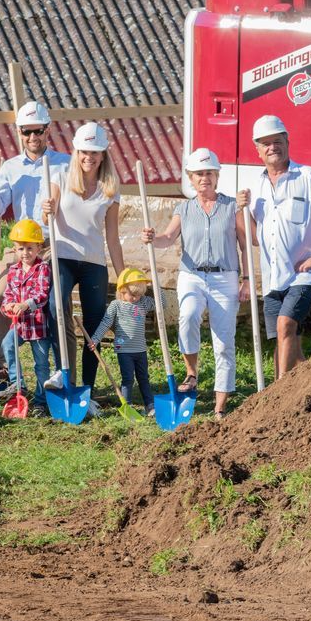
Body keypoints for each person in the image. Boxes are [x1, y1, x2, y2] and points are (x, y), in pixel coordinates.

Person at [142, 147, 251, 418]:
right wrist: (152, 239)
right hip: (191, 275)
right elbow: (167, 238)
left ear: (217, 176)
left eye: (209, 173)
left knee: (224, 341)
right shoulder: (184, 208)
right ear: (190, 178)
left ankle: (220, 406)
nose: (205, 178)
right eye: (199, 174)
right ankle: (192, 373)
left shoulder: (231, 206)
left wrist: (247, 279)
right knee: (188, 315)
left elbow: (247, 244)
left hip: (224, 277)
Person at [242, 115, 311, 380]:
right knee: (287, 341)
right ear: (257, 149)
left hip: (302, 274)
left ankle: (278, 394)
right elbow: (253, 237)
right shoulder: (257, 185)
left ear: (287, 141)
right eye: (265, 143)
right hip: (273, 276)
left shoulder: (307, 176)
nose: (272, 147)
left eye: (277, 141)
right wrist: (239, 211)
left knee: (285, 325)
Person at [0, 101, 71, 371]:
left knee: (56, 303)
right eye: (26, 132)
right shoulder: (9, 167)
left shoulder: (64, 164)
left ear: (48, 130)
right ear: (18, 132)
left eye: (38, 131)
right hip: (21, 246)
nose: (32, 137)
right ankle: (2, 364)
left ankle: (62, 368)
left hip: (51, 243)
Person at [40, 122, 125, 391]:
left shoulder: (110, 187)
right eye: (84, 152)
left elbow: (112, 237)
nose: (89, 157)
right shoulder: (61, 175)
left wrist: (123, 277)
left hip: (94, 262)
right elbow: (46, 216)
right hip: (63, 255)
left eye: (95, 152)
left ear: (103, 155)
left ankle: (86, 389)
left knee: (94, 326)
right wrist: (47, 209)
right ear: (76, 152)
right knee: (55, 306)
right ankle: (62, 370)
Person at [0, 219, 52, 407]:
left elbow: (42, 294)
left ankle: (41, 401)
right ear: (15, 249)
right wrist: (9, 306)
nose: (25, 253)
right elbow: (8, 294)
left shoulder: (42, 268)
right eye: (21, 249)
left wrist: (25, 305)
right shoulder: (13, 270)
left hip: (38, 324)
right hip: (20, 324)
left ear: (38, 248)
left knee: (41, 364)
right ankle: (17, 382)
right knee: (7, 344)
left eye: (29, 248)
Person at [89, 268, 157, 416]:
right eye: (132, 294)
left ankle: (150, 405)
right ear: (122, 290)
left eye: (139, 294)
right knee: (128, 379)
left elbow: (161, 303)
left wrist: (155, 284)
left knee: (144, 378)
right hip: (124, 350)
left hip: (141, 349)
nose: (135, 298)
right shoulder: (116, 305)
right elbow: (106, 323)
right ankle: (128, 406)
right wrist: (95, 338)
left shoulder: (143, 303)